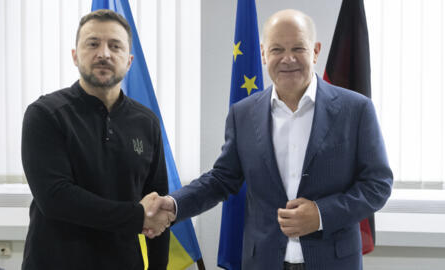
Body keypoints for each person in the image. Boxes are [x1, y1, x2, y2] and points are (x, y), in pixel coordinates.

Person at [147, 9, 393, 270]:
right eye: (277, 50)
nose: (288, 59)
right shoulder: (242, 114)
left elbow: (378, 184)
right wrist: (173, 205)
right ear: (263, 53)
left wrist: (321, 215)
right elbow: (221, 179)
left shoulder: (356, 110)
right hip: (262, 261)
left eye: (298, 48)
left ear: (316, 51)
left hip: (333, 261)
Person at [21, 9, 173, 270]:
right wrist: (137, 216)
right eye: (93, 44)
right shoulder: (45, 115)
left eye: (115, 46)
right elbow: (56, 198)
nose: (104, 53)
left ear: (129, 61)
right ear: (75, 56)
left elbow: (158, 206)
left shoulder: (147, 122)